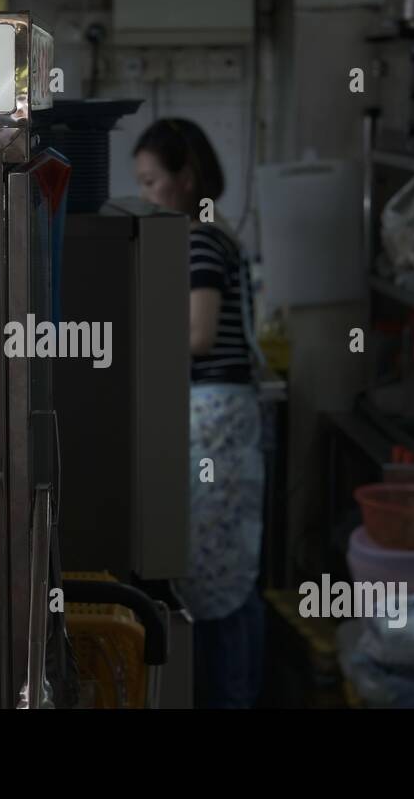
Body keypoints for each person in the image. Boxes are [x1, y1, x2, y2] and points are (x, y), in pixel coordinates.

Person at [133, 118, 265, 708]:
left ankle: (230, 697)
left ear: (185, 180)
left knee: (216, 579)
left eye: (152, 180)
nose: (146, 195)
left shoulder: (200, 238)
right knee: (225, 572)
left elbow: (200, 334)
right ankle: (232, 693)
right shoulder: (215, 232)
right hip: (222, 414)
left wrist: (137, 343)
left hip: (214, 414)